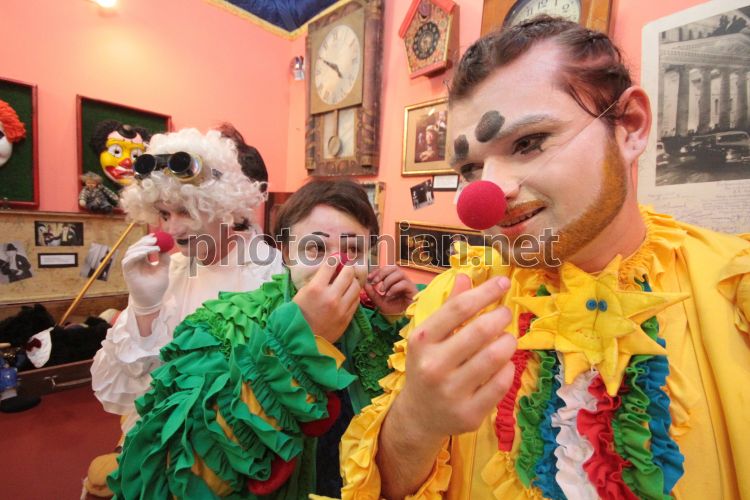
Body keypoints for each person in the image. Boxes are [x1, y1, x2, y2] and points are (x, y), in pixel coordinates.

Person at [340, 16, 750, 499]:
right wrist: (417, 420)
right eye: (471, 167)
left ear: (630, 126)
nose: (489, 195)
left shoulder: (735, 289)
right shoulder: (453, 301)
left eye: (528, 143)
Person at [108, 180, 418, 498]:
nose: (336, 266)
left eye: (353, 250)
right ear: (285, 251)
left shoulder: (378, 324)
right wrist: (300, 342)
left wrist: (404, 323)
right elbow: (176, 479)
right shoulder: (221, 327)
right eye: (314, 248)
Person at [85, 128, 284, 498]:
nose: (172, 228)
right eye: (163, 213)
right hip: (158, 455)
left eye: (186, 212)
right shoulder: (169, 271)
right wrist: (144, 307)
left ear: (224, 208)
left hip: (232, 465)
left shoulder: (268, 275)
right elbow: (127, 392)